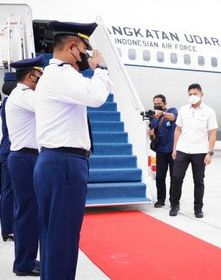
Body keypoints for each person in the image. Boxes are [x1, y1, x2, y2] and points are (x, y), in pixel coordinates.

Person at [33, 21, 111, 280]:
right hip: (64, 163)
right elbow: (97, 97)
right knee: (63, 238)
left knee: (53, 236)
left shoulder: (55, 75)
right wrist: (100, 69)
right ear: (72, 46)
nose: (86, 56)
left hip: (55, 161)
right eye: (84, 50)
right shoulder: (62, 74)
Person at [6, 55, 44, 276]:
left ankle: (27, 258)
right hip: (25, 158)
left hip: (27, 157)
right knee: (27, 212)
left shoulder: (23, 95)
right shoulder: (23, 95)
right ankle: (23, 263)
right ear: (31, 76)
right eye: (40, 75)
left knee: (29, 210)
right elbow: (48, 104)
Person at [170, 83, 218, 218]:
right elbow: (178, 130)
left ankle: (198, 208)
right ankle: (174, 205)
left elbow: (212, 133)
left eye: (195, 94)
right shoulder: (183, 110)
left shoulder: (209, 111)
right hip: (182, 149)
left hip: (200, 151)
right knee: (176, 178)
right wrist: (174, 149)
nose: (192, 96)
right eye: (190, 94)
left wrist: (210, 153)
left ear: (201, 95)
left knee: (198, 181)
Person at [148, 94, 178, 207]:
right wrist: (151, 134)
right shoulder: (154, 116)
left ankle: (173, 200)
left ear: (165, 104)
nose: (157, 106)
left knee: (174, 177)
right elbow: (153, 133)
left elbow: (173, 118)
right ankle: (161, 199)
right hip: (160, 150)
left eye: (159, 104)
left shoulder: (171, 110)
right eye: (155, 104)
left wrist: (162, 113)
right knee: (160, 177)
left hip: (173, 150)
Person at [0, 72, 17, 242]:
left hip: (6, 148)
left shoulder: (6, 102)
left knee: (7, 191)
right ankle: (8, 228)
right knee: (9, 191)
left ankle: (7, 228)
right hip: (11, 149)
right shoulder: (12, 102)